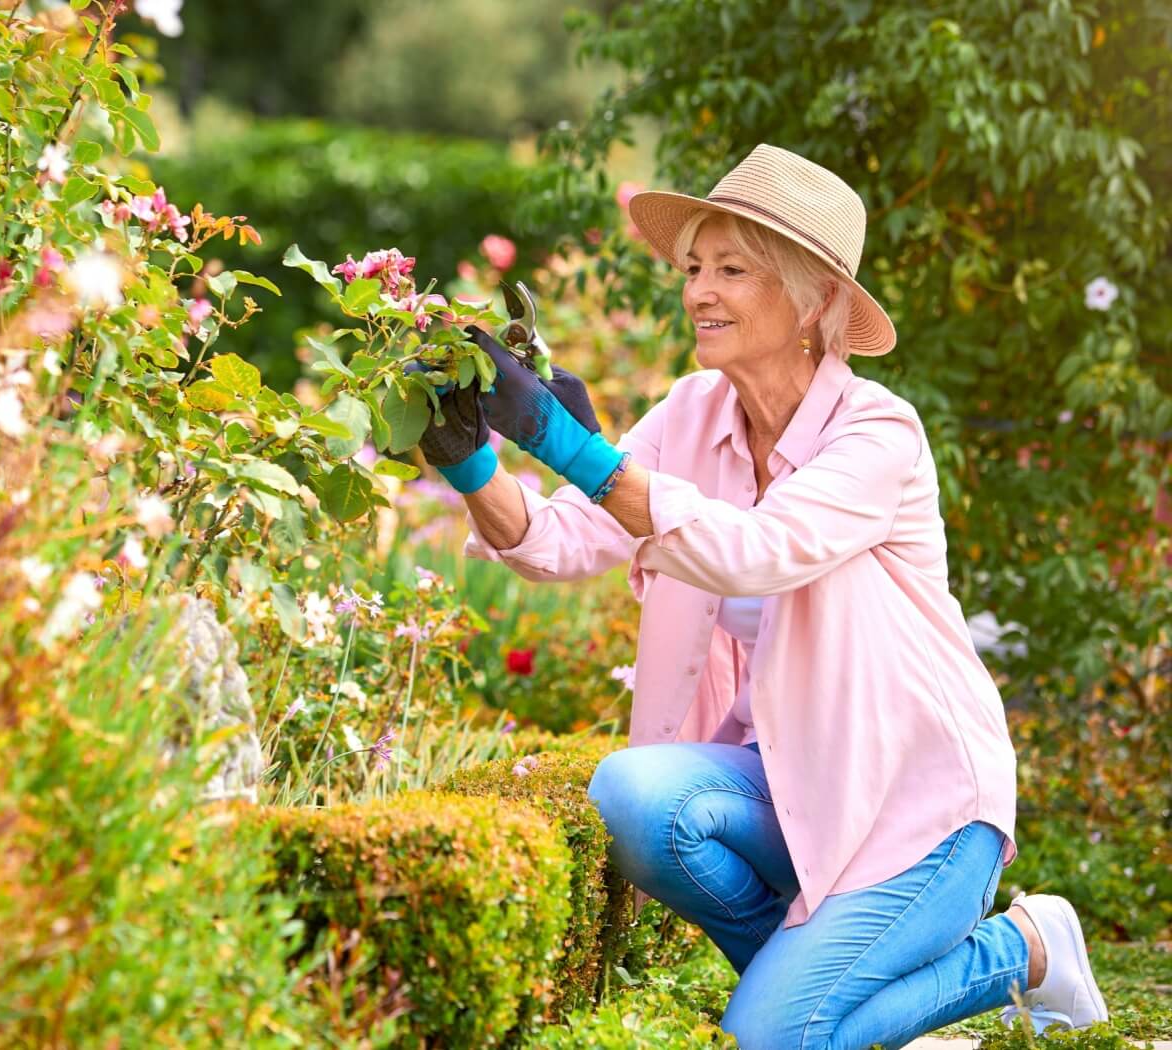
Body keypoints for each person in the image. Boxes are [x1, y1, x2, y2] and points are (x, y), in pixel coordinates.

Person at [415, 144, 1109, 1049]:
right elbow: (562, 542)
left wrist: (571, 445)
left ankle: (1018, 949)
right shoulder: (691, 414)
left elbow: (758, 550)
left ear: (816, 298)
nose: (700, 290)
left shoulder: (877, 434)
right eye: (695, 267)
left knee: (772, 1040)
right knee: (633, 793)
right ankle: (816, 997)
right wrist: (468, 458)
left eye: (733, 270)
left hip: (919, 812)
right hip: (793, 794)